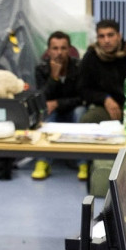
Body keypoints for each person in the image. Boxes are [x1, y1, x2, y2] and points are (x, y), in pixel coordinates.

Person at [30, 30, 85, 180]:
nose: (59, 52)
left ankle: (83, 163)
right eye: (55, 48)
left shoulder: (79, 67)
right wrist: (54, 77)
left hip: (73, 109)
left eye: (63, 48)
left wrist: (58, 103)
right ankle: (42, 162)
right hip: (52, 111)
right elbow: (42, 98)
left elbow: (82, 97)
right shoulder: (41, 69)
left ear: (69, 50)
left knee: (81, 112)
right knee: (45, 115)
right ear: (48, 51)